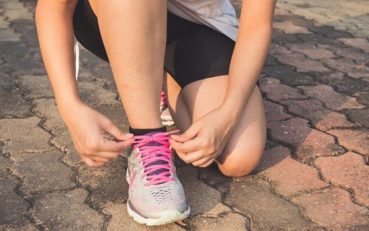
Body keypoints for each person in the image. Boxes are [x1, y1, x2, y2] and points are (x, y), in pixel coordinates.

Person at [35, 0, 276, 226]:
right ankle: (148, 140)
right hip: (117, 11)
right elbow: (54, 7)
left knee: (238, 156)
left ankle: (158, 79)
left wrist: (227, 114)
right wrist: (69, 105)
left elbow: (257, 24)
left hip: (198, 24)